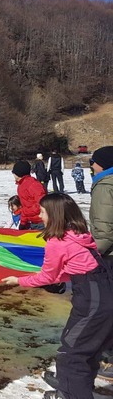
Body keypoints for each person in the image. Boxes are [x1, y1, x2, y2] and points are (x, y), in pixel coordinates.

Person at [2, 193, 113, 399]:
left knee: (72, 355)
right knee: (87, 350)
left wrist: (20, 281)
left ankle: (73, 393)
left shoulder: (57, 241)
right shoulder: (79, 235)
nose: (39, 215)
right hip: (103, 294)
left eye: (43, 211)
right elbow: (74, 269)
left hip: (92, 301)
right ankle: (72, 388)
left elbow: (48, 276)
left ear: (55, 215)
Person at [89, 146, 113, 381]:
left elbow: (105, 230)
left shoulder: (105, 186)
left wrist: (93, 256)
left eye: (93, 162)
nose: (91, 166)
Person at [12, 161, 46, 230]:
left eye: (13, 173)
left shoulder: (33, 184)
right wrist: (23, 222)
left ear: (18, 173)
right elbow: (25, 206)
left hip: (42, 222)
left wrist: (27, 212)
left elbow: (43, 203)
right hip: (33, 222)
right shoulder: (21, 185)